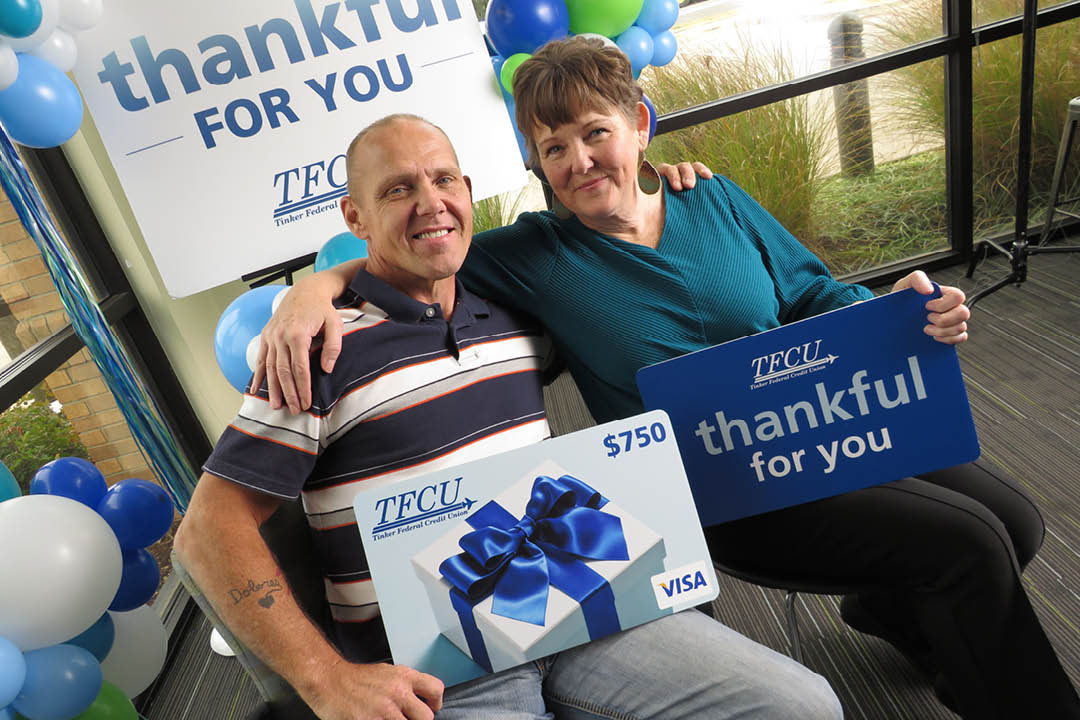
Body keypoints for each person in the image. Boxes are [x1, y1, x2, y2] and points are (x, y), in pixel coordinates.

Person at [258, 37, 1080, 720]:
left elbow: (813, 293)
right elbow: (414, 247)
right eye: (553, 148)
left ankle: (894, 607)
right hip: (723, 488)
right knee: (968, 544)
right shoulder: (535, 255)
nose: (578, 160)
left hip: (832, 424)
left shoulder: (714, 199)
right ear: (537, 165)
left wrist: (900, 307)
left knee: (1017, 520)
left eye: (593, 132)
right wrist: (312, 289)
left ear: (640, 125)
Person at [175, 113, 844, 720]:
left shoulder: (514, 315)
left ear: (467, 192)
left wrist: (662, 186)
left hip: (573, 605)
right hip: (434, 663)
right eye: (398, 190)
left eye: (443, 181)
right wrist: (326, 681)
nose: (431, 203)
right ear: (355, 217)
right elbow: (205, 532)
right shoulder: (319, 349)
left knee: (802, 706)